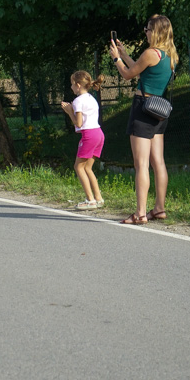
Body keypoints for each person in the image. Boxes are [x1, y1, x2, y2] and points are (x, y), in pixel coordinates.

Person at [110, 14, 178, 224]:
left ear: (156, 31)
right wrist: (124, 54)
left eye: (148, 29)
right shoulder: (170, 55)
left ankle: (140, 213)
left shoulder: (150, 53)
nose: (145, 32)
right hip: (159, 109)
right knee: (158, 162)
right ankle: (159, 208)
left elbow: (128, 74)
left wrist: (116, 59)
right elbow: (141, 72)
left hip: (143, 109)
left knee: (141, 164)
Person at [60, 71, 105, 210]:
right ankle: (98, 198)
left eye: (72, 84)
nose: (71, 87)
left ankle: (90, 200)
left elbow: (78, 123)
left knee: (78, 167)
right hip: (99, 133)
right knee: (87, 168)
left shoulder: (78, 101)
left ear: (78, 85)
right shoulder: (91, 98)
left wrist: (69, 111)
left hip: (89, 135)